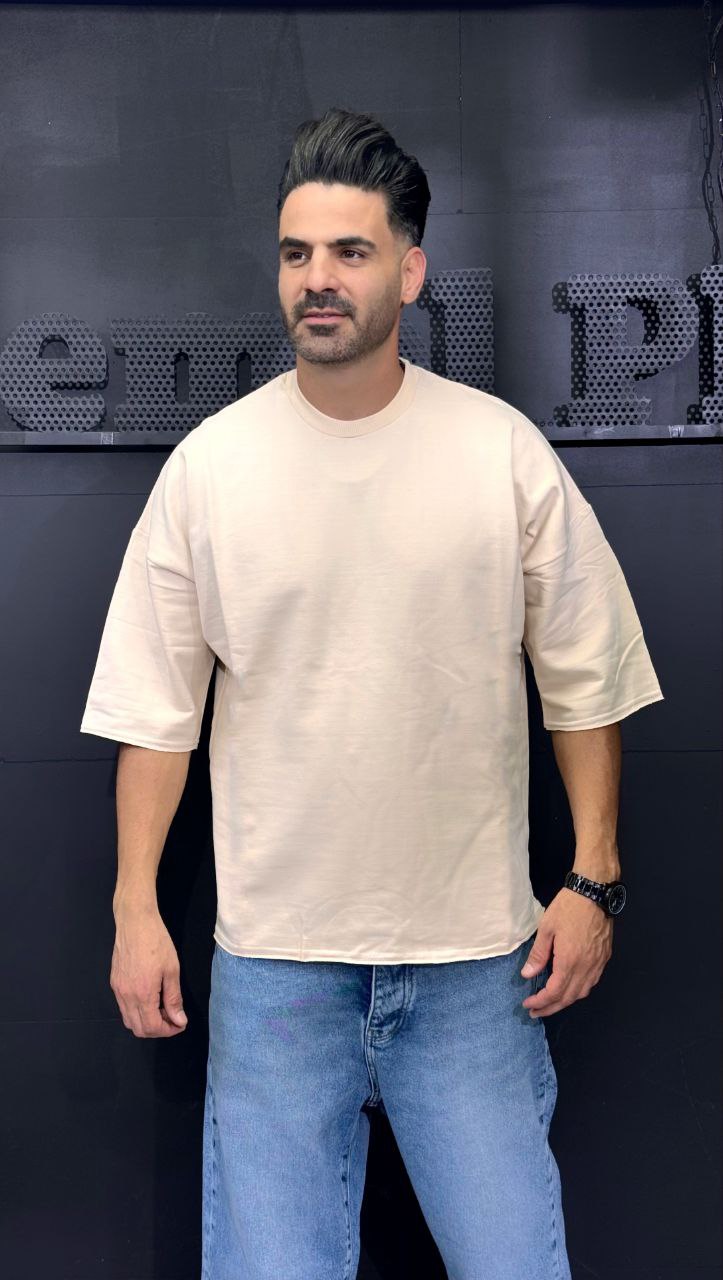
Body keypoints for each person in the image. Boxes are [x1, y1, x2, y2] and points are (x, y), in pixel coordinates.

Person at [80, 107, 665, 1280]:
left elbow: (587, 675)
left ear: (410, 268)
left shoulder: (500, 453)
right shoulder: (211, 469)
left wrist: (594, 876)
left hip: (478, 966)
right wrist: (135, 906)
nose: (319, 279)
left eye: (351, 251)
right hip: (276, 969)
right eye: (297, 253)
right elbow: (154, 713)